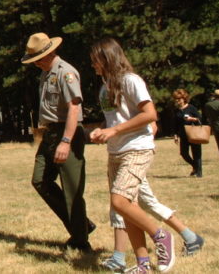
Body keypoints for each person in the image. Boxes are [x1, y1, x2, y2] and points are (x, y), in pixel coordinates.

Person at [89, 37, 176, 273]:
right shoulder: (105, 85)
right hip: (116, 151)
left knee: (119, 200)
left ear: (107, 58)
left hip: (137, 148)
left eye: (95, 61)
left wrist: (115, 130)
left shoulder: (130, 81)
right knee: (126, 207)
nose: (93, 65)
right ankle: (143, 264)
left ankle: (161, 236)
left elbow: (150, 114)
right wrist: (102, 131)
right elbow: (115, 120)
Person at [21, 32, 92, 251]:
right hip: (50, 132)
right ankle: (82, 225)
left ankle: (81, 241)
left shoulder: (66, 73)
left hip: (66, 132)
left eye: (39, 59)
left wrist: (66, 141)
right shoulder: (46, 73)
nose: (36, 64)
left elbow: (74, 107)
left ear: (51, 52)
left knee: (71, 189)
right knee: (40, 180)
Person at [100, 123, 205, 271]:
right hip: (123, 154)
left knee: (128, 203)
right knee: (136, 204)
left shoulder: (133, 102)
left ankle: (119, 257)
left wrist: (137, 145)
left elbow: (152, 125)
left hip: (133, 157)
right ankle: (188, 237)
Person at [171, 89, 202, 177]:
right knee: (183, 153)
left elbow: (200, 119)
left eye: (179, 98)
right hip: (183, 135)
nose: (177, 101)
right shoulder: (176, 110)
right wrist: (175, 135)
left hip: (194, 133)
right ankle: (195, 166)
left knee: (197, 154)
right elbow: (175, 124)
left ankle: (199, 173)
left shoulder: (191, 108)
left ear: (184, 98)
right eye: (176, 99)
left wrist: (192, 119)